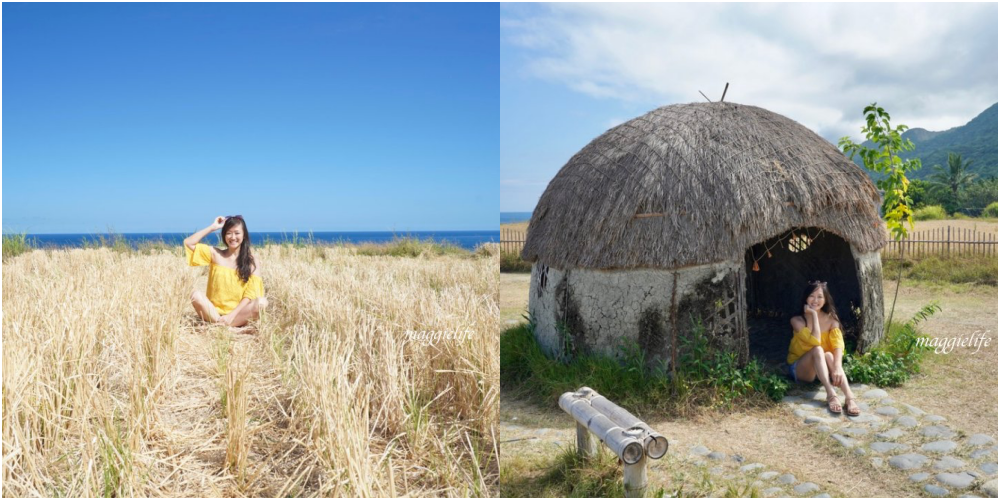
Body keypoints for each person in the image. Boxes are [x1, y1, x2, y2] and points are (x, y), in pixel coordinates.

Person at [787, 281, 860, 416]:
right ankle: (831, 394)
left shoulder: (832, 319)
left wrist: (837, 367)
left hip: (822, 368)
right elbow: (815, 341)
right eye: (812, 296)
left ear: (825, 300)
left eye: (820, 297)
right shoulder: (797, 320)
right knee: (818, 349)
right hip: (801, 369)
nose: (815, 300)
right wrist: (814, 315)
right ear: (805, 298)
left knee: (829, 355)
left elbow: (838, 345)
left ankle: (849, 397)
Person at [184, 215, 267, 328]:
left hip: (238, 315)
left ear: (244, 235)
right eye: (228, 233)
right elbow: (189, 243)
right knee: (195, 295)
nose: (233, 237)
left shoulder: (252, 261)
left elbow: (250, 294)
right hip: (213, 313)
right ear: (224, 235)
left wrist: (231, 315)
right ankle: (228, 328)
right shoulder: (215, 254)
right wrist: (213, 227)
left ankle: (220, 326)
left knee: (262, 302)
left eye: (237, 233)